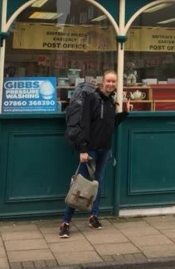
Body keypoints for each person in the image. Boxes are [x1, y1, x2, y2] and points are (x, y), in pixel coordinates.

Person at [59, 70, 131, 238]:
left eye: (114, 82)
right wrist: (83, 150)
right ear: (102, 81)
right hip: (90, 150)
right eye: (108, 81)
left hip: (104, 149)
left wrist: (125, 113)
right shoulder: (92, 98)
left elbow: (110, 124)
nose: (111, 84)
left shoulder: (111, 101)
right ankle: (65, 222)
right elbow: (84, 124)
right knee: (79, 186)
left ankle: (94, 216)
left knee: (97, 184)